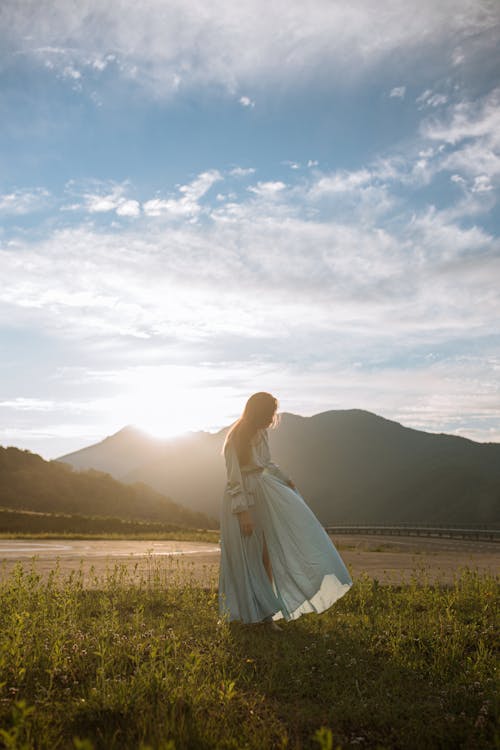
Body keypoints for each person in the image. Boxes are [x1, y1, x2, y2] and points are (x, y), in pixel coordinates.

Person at [218, 392, 352, 626]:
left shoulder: (261, 433)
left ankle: (266, 614)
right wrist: (243, 513)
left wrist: (285, 479)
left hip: (263, 494)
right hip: (243, 501)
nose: (272, 418)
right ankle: (248, 613)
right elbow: (233, 479)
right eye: (269, 413)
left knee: (266, 554)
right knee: (246, 557)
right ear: (258, 412)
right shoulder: (235, 438)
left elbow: (267, 463)